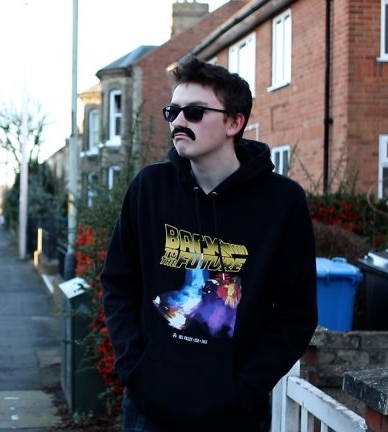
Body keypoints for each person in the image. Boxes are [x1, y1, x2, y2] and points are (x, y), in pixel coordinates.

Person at [100, 56, 317, 431]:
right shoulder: (149, 189)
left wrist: (244, 388)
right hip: (149, 409)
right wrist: (135, 370)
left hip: (233, 415)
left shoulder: (282, 203)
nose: (179, 122)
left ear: (235, 122)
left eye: (195, 112)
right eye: (173, 112)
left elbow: (295, 314)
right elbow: (119, 283)